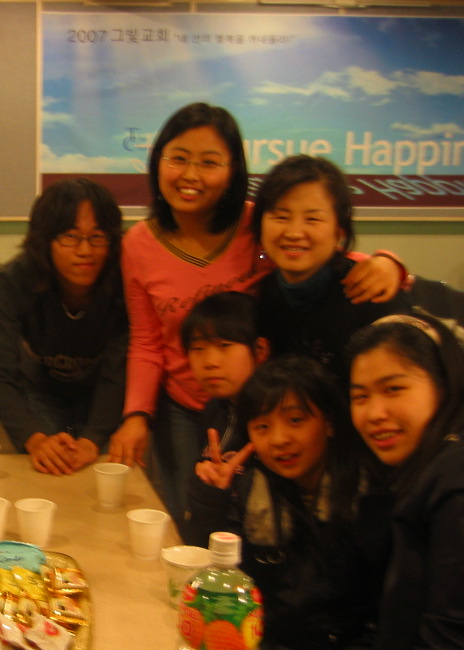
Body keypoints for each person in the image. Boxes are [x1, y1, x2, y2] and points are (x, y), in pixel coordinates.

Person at [108, 102, 404, 522]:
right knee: (188, 516)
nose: (191, 174)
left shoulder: (256, 225)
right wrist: (137, 415)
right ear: (157, 162)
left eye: (209, 162)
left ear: (233, 172)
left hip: (260, 408)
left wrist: (388, 263)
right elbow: (146, 341)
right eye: (178, 158)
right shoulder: (138, 245)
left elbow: (316, 258)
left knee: (257, 517)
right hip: (183, 408)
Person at [190, 355, 391, 650]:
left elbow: (388, 621)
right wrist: (213, 498)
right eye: (262, 427)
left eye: (296, 420)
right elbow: (215, 574)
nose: (279, 440)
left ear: (329, 423)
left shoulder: (369, 499)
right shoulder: (257, 487)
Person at [343, 314, 464, 650]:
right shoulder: (421, 472)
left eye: (394, 389)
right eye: (360, 396)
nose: (374, 413)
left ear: (444, 386)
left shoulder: (454, 481)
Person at [0, 178, 127, 475]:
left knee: (100, 475)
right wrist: (34, 440)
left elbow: (118, 370)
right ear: (45, 239)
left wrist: (93, 439)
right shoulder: (14, 280)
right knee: (47, 470)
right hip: (40, 387)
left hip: (104, 390)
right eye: (70, 236)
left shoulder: (124, 280)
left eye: (98, 237)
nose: (85, 250)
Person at [252, 155, 410, 380]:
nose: (294, 233)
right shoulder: (264, 294)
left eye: (312, 219)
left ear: (339, 230)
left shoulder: (370, 292)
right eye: (281, 217)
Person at [177, 290, 269, 541]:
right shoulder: (214, 411)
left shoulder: (275, 423)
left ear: (260, 350)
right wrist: (211, 492)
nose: (210, 362)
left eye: (224, 346)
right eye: (197, 348)